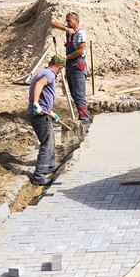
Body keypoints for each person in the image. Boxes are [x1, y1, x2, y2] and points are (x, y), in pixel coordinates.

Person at [29, 54, 65, 185]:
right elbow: (39, 85)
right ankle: (38, 176)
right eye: (61, 69)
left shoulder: (44, 72)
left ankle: (50, 165)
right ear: (59, 67)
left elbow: (45, 95)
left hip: (44, 112)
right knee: (47, 143)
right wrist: (36, 103)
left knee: (51, 139)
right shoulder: (49, 74)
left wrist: (51, 112)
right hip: (39, 114)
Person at [51, 12, 90, 125]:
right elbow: (53, 23)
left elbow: (80, 51)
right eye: (66, 20)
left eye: (70, 21)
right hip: (70, 64)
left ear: (76, 21)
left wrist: (66, 57)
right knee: (73, 93)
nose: (67, 22)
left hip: (78, 65)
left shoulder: (81, 33)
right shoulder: (69, 30)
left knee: (79, 93)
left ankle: (84, 118)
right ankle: (82, 114)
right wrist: (66, 28)